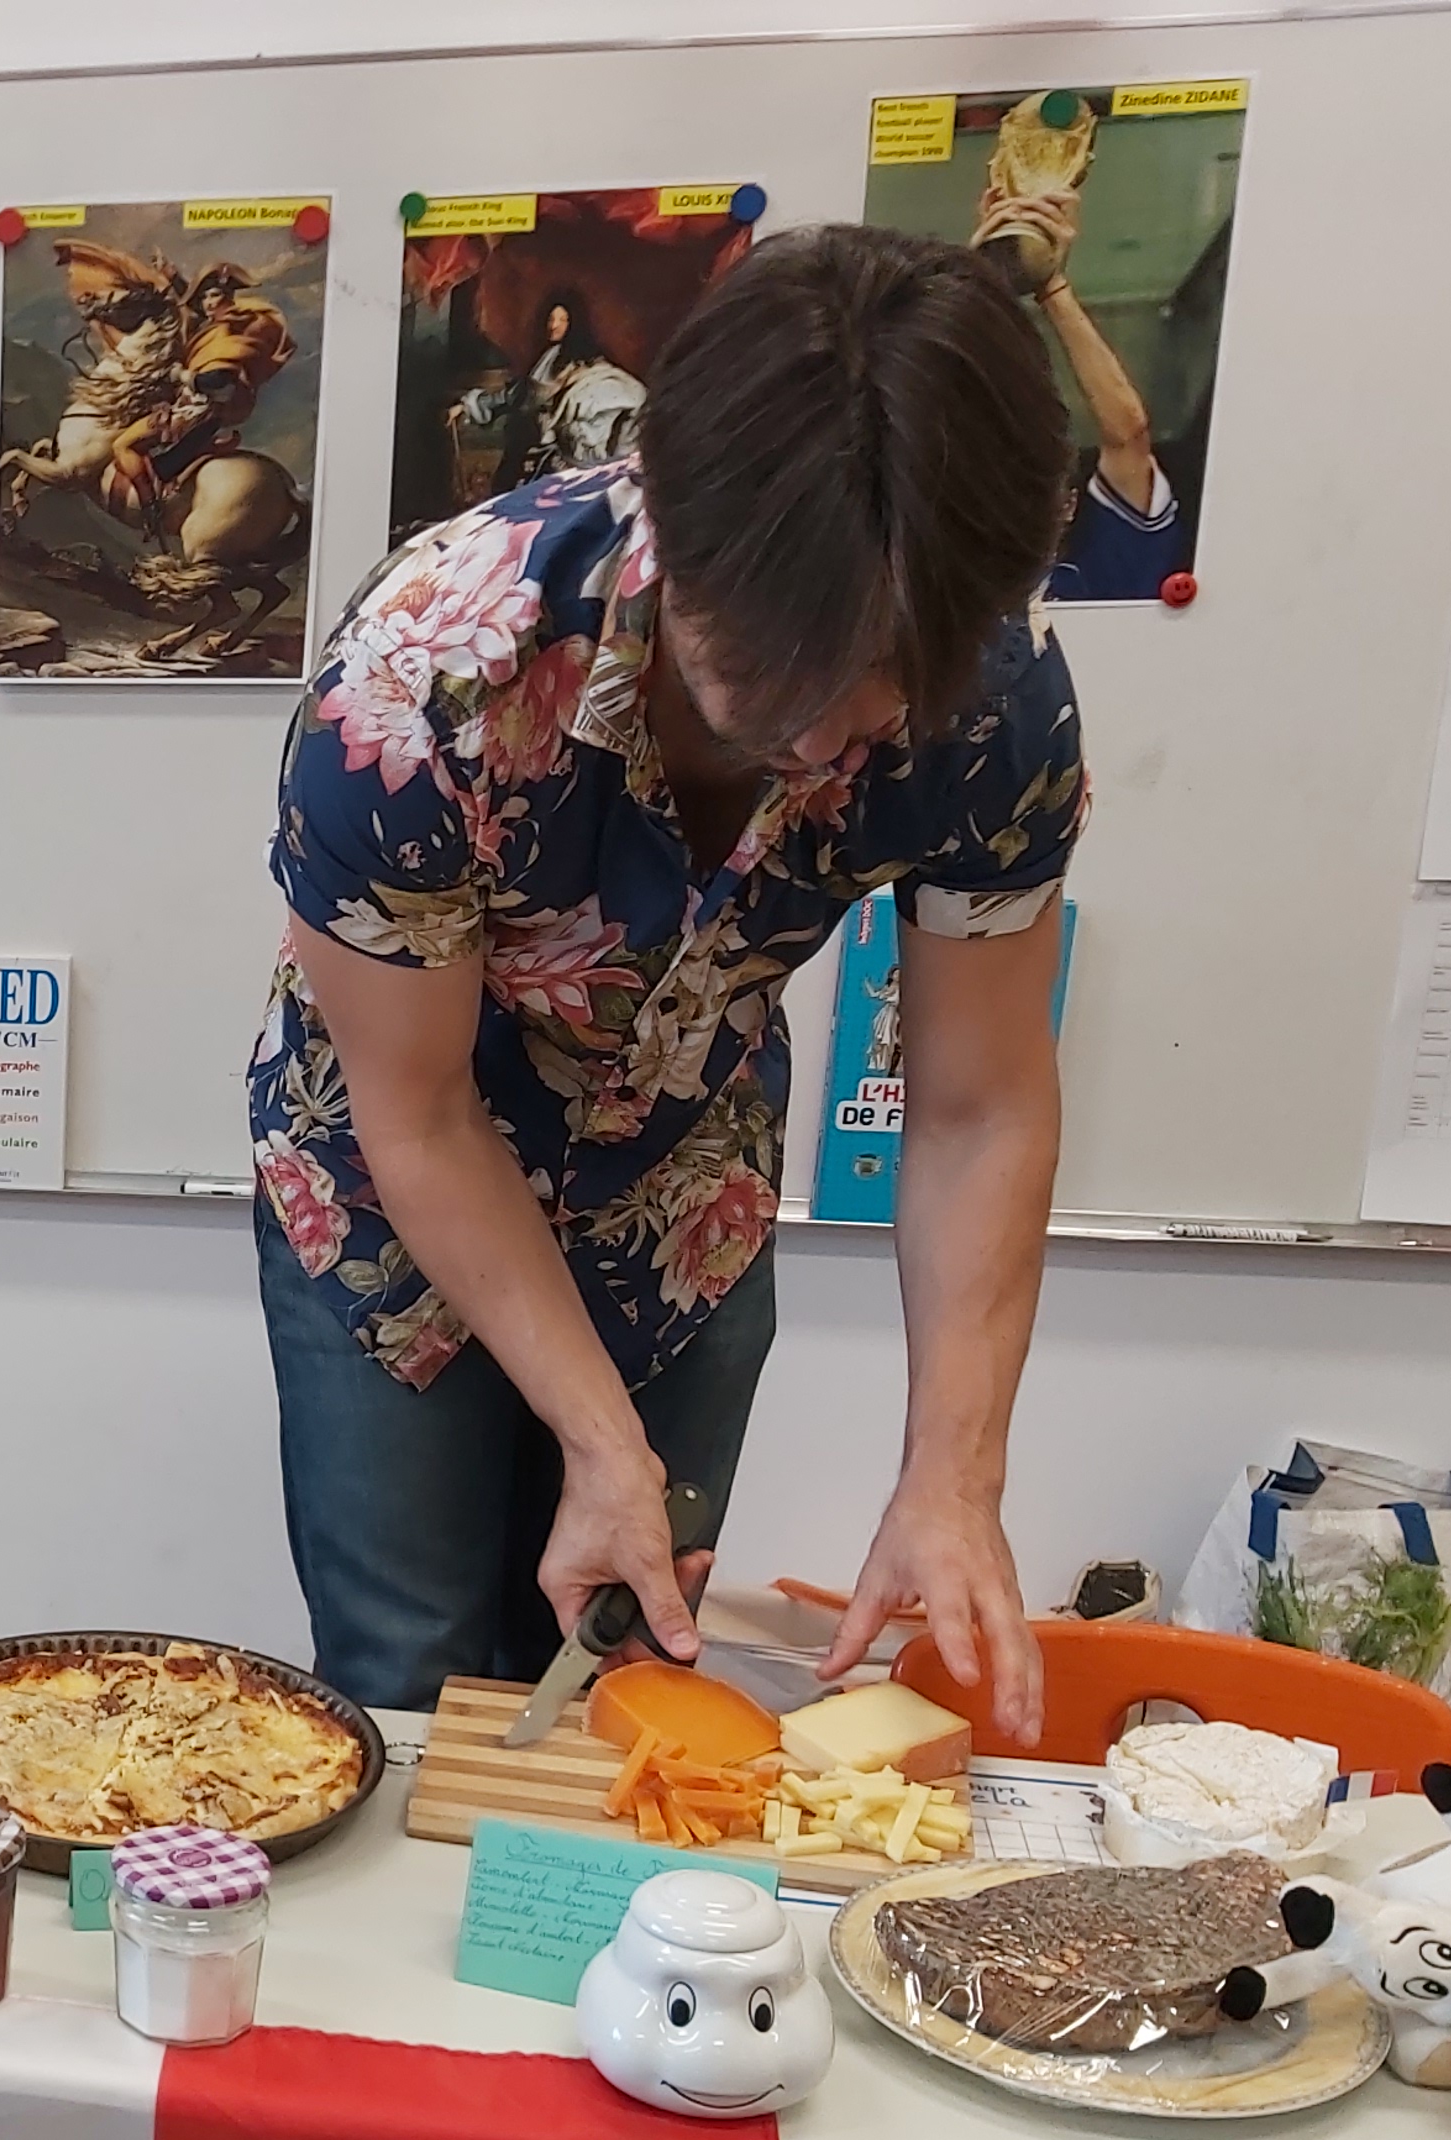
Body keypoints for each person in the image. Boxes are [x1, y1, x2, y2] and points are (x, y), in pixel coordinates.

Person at [252, 224, 1082, 1741]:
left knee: (622, 1683)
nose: (824, 742)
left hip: (679, 1189)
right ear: (668, 523)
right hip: (393, 1198)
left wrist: (956, 1478)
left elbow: (981, 1109)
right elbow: (418, 1113)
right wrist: (597, 1441)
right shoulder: (426, 675)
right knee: (416, 1684)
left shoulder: (996, 700)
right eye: (767, 682)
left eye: (882, 695)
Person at [973, 186, 1188, 602]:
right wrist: (978, 285)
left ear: (1068, 504)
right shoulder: (940, 576)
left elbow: (1128, 435)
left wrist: (1051, 286)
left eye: (1033, 487)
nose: (1014, 502)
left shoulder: (1103, 572)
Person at [519, 288, 648, 474]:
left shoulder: (586, 358)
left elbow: (595, 380)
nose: (554, 325)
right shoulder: (548, 358)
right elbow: (528, 394)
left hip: (585, 434)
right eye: (551, 319)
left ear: (573, 323)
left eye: (562, 319)